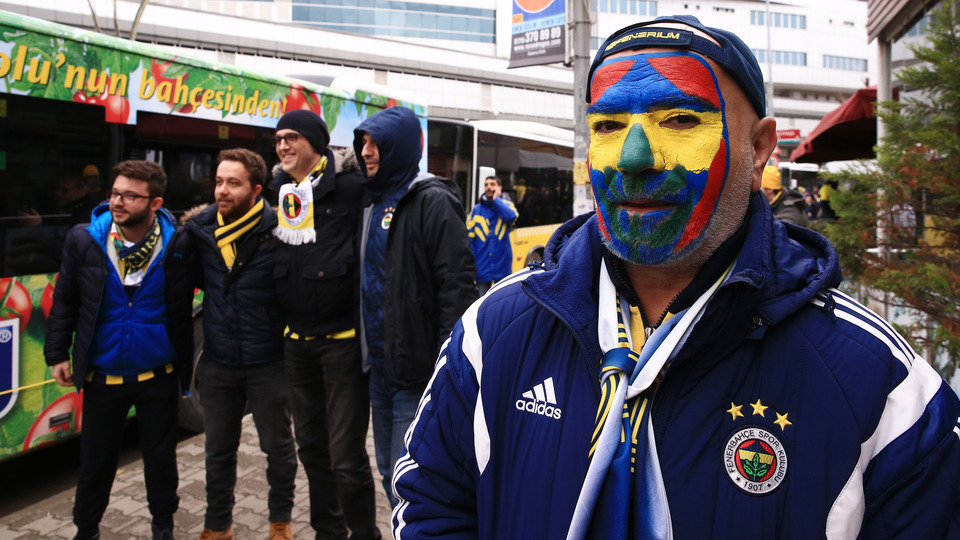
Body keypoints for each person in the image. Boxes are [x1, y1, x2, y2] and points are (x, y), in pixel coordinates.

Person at [391, 16, 960, 539]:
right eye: (610, 124)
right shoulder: (494, 331)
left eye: (682, 119)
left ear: (761, 146)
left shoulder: (876, 380)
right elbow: (431, 504)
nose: (633, 156)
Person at [45, 160, 195, 540]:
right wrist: (56, 353)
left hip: (157, 375)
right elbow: (65, 300)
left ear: (155, 202)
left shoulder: (178, 243)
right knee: (95, 463)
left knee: (161, 461)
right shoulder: (85, 239)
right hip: (103, 375)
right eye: (114, 193)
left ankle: (163, 526)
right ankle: (86, 529)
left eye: (130, 195)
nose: (118, 201)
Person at [353, 106, 477, 508]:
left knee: (412, 478)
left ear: (400, 147)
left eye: (375, 143)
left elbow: (456, 288)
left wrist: (449, 367)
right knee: (388, 470)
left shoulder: (431, 200)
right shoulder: (370, 201)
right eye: (364, 143)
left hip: (416, 371)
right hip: (378, 368)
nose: (366, 152)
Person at [271, 109, 381, 540]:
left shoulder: (351, 190)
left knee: (345, 458)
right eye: (278, 139)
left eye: (292, 137)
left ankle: (363, 533)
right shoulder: (282, 192)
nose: (282, 146)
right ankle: (328, 532)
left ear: (315, 144)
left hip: (341, 346)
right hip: (296, 345)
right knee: (311, 450)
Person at [183, 148, 297, 540]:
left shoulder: (280, 230)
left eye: (233, 183)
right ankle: (218, 525)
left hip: (268, 362)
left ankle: (280, 522)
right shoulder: (200, 232)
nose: (222, 191)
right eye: (218, 182)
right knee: (218, 451)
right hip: (217, 362)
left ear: (256, 189)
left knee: (278, 449)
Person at [468, 175, 519, 295]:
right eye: (486, 185)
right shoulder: (476, 210)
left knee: (502, 303)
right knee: (481, 304)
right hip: (482, 267)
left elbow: (512, 217)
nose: (488, 187)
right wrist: (475, 261)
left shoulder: (506, 206)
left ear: (499, 187)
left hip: (502, 266)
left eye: (492, 184)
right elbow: (469, 238)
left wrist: (496, 200)